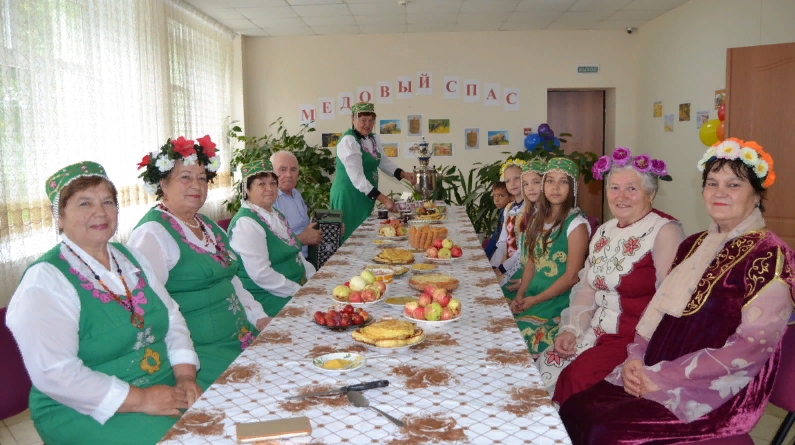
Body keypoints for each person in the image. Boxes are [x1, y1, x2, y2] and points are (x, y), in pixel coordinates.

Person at [560, 139, 795, 445]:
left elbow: (749, 348)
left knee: (607, 432)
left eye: (734, 185)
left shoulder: (770, 256)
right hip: (654, 367)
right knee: (576, 408)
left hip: (714, 390)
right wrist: (635, 357)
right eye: (712, 183)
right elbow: (657, 311)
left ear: (757, 194)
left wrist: (663, 376)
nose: (719, 192)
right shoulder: (693, 245)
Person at [7, 162, 201, 445]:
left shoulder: (131, 259)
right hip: (83, 407)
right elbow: (56, 374)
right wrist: (142, 399)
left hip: (160, 383)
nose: (100, 212)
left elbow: (171, 317)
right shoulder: (45, 281)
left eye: (108, 202)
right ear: (59, 217)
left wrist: (184, 376)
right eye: (84, 203)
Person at [537, 148, 685, 407]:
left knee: (575, 378)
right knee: (546, 363)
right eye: (614, 188)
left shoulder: (664, 231)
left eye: (631, 189)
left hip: (634, 340)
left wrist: (640, 351)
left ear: (651, 193)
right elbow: (586, 288)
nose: (621, 196)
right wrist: (572, 329)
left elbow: (671, 301)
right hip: (596, 331)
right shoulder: (604, 230)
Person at [128, 135, 268, 389]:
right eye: (185, 177)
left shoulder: (208, 226)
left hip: (240, 337)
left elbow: (232, 280)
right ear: (163, 184)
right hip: (200, 354)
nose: (196, 185)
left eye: (202, 178)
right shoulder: (152, 234)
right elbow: (149, 310)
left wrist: (258, 317)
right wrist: (183, 370)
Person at [509, 157, 590, 358]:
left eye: (563, 182)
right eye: (550, 181)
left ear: (573, 188)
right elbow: (531, 263)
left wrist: (534, 300)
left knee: (520, 335)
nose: (555, 187)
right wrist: (521, 294)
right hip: (533, 293)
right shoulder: (538, 220)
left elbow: (571, 277)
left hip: (557, 299)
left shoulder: (576, 225)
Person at [228, 160, 315, 317]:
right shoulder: (246, 223)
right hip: (270, 299)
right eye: (261, 184)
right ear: (247, 190)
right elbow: (261, 275)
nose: (269, 188)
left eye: (273, 183)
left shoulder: (275, 214)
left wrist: (313, 278)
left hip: (296, 288)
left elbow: (296, 253)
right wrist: (299, 291)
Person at [329, 102, 415, 243]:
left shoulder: (373, 138)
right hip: (348, 197)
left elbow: (383, 161)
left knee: (363, 237)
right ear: (353, 119)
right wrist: (384, 199)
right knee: (350, 239)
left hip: (365, 194)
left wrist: (404, 174)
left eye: (371, 120)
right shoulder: (348, 141)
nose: (367, 125)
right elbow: (358, 179)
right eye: (363, 120)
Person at [501, 159, 546, 299]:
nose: (530, 188)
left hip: (534, 274)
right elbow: (502, 241)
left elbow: (528, 253)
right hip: (520, 267)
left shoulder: (537, 213)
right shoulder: (512, 208)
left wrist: (502, 269)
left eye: (536, 182)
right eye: (526, 184)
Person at [271, 150, 323, 258]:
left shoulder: (296, 194)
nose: (289, 175)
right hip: (289, 261)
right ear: (272, 173)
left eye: (293, 169)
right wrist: (302, 239)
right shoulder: (271, 200)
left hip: (308, 256)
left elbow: (305, 228)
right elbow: (272, 244)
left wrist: (332, 228)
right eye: (282, 169)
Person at [490, 159, 527, 283]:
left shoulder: (531, 209)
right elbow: (502, 241)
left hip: (523, 266)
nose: (512, 183)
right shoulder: (509, 208)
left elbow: (524, 249)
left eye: (517, 178)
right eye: (508, 181)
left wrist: (502, 268)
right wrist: (494, 265)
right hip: (507, 263)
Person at [483, 181, 513, 260]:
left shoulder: (509, 213)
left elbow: (498, 236)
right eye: (494, 195)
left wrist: (486, 253)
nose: (496, 200)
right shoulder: (502, 210)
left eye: (501, 196)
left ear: (511, 197)